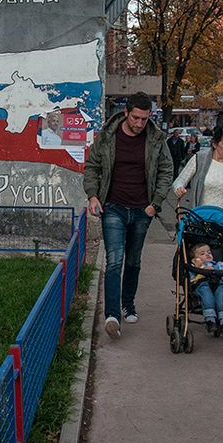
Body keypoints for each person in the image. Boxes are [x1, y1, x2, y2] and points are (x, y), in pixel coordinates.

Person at [84, 92, 173, 340]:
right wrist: (93, 195)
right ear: (126, 113)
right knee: (114, 260)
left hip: (143, 209)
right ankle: (113, 316)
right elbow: (92, 167)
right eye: (135, 118)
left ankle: (128, 303)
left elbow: (167, 170)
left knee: (133, 261)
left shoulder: (156, 139)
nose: (139, 124)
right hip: (113, 207)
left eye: (144, 119)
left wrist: (155, 204)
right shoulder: (108, 137)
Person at [173, 125, 223, 213]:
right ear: (214, 144)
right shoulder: (199, 159)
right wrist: (179, 189)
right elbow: (178, 182)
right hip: (199, 219)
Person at [188, 242, 223, 335]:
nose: (207, 254)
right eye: (202, 254)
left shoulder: (220, 264)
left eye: (209, 252)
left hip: (219, 284)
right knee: (206, 294)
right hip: (202, 285)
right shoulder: (194, 267)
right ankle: (210, 319)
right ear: (194, 259)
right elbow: (191, 279)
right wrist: (201, 267)